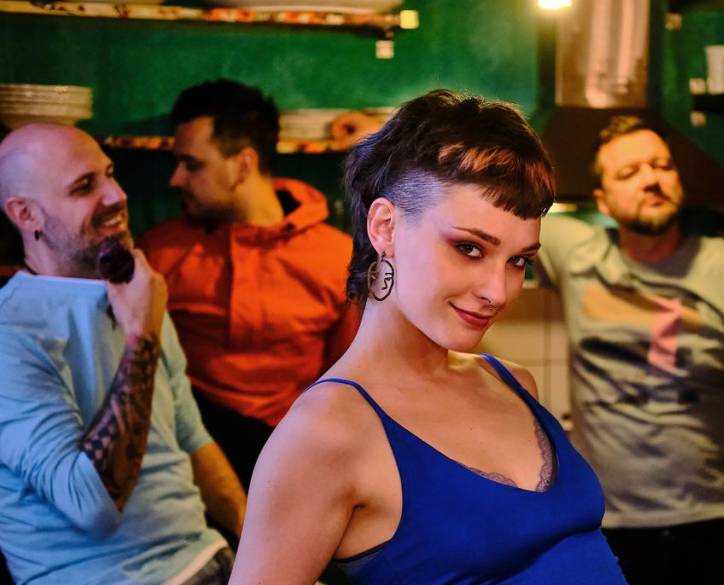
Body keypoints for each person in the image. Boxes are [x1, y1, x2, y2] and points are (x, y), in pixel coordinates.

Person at [228, 89, 628, 584]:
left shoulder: (513, 383)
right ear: (385, 226)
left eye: (518, 261)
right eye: (469, 248)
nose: (497, 292)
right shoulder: (324, 432)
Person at [535, 115, 724, 584]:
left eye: (662, 166)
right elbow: (496, 210)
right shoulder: (576, 255)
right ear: (603, 201)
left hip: (721, 519)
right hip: (607, 524)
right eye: (629, 173)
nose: (651, 179)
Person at [0, 123, 246, 585]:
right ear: (26, 214)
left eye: (109, 174)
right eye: (84, 186)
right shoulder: (11, 332)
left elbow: (191, 438)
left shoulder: (135, 289)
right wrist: (141, 336)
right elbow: (91, 504)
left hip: (209, 558)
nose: (117, 195)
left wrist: (264, 551)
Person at [139, 79, 360, 489]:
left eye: (192, 165)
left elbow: (350, 382)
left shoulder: (337, 260)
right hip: (185, 464)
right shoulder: (158, 253)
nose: (176, 179)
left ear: (243, 165)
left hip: (292, 457)